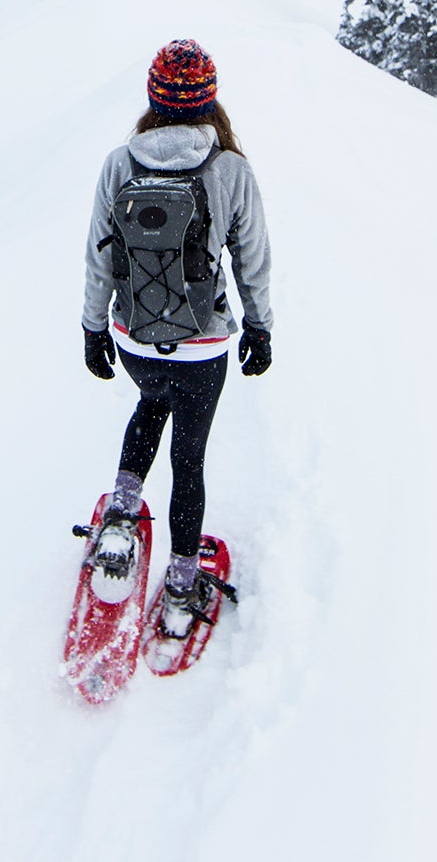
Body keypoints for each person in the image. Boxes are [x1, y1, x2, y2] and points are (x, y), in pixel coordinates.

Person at [81, 38, 273, 638]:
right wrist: (260, 327)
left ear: (153, 97)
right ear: (208, 100)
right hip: (203, 346)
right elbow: (253, 259)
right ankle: (182, 587)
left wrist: (92, 329)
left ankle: (120, 513)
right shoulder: (230, 169)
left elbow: (98, 259)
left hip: (135, 337)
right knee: (188, 460)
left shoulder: (120, 163)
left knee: (149, 403)